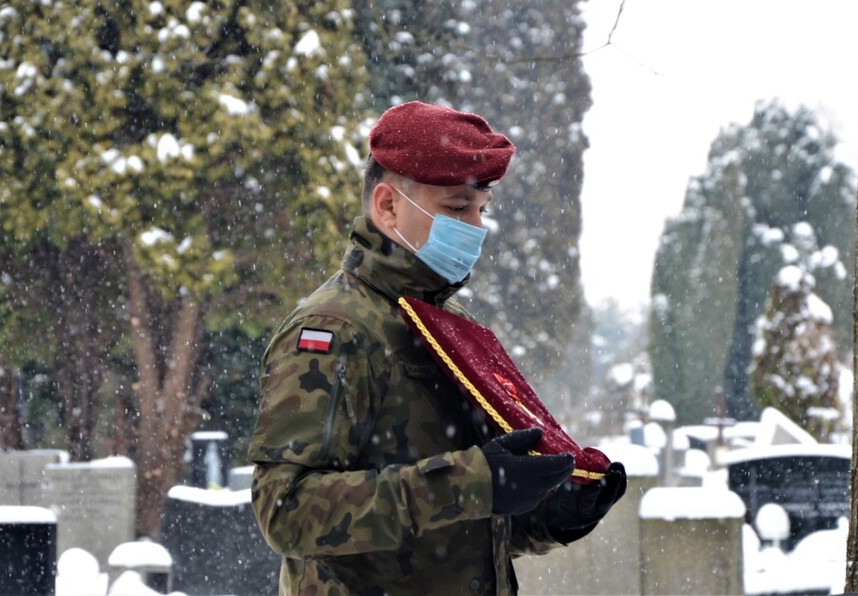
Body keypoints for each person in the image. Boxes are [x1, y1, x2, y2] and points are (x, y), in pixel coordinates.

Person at [248, 101, 627, 595]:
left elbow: (454, 530)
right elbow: (286, 511)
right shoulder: (335, 330)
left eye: (480, 210)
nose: (474, 227)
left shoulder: (448, 325)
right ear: (387, 206)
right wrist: (474, 482)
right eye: (455, 208)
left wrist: (549, 514)